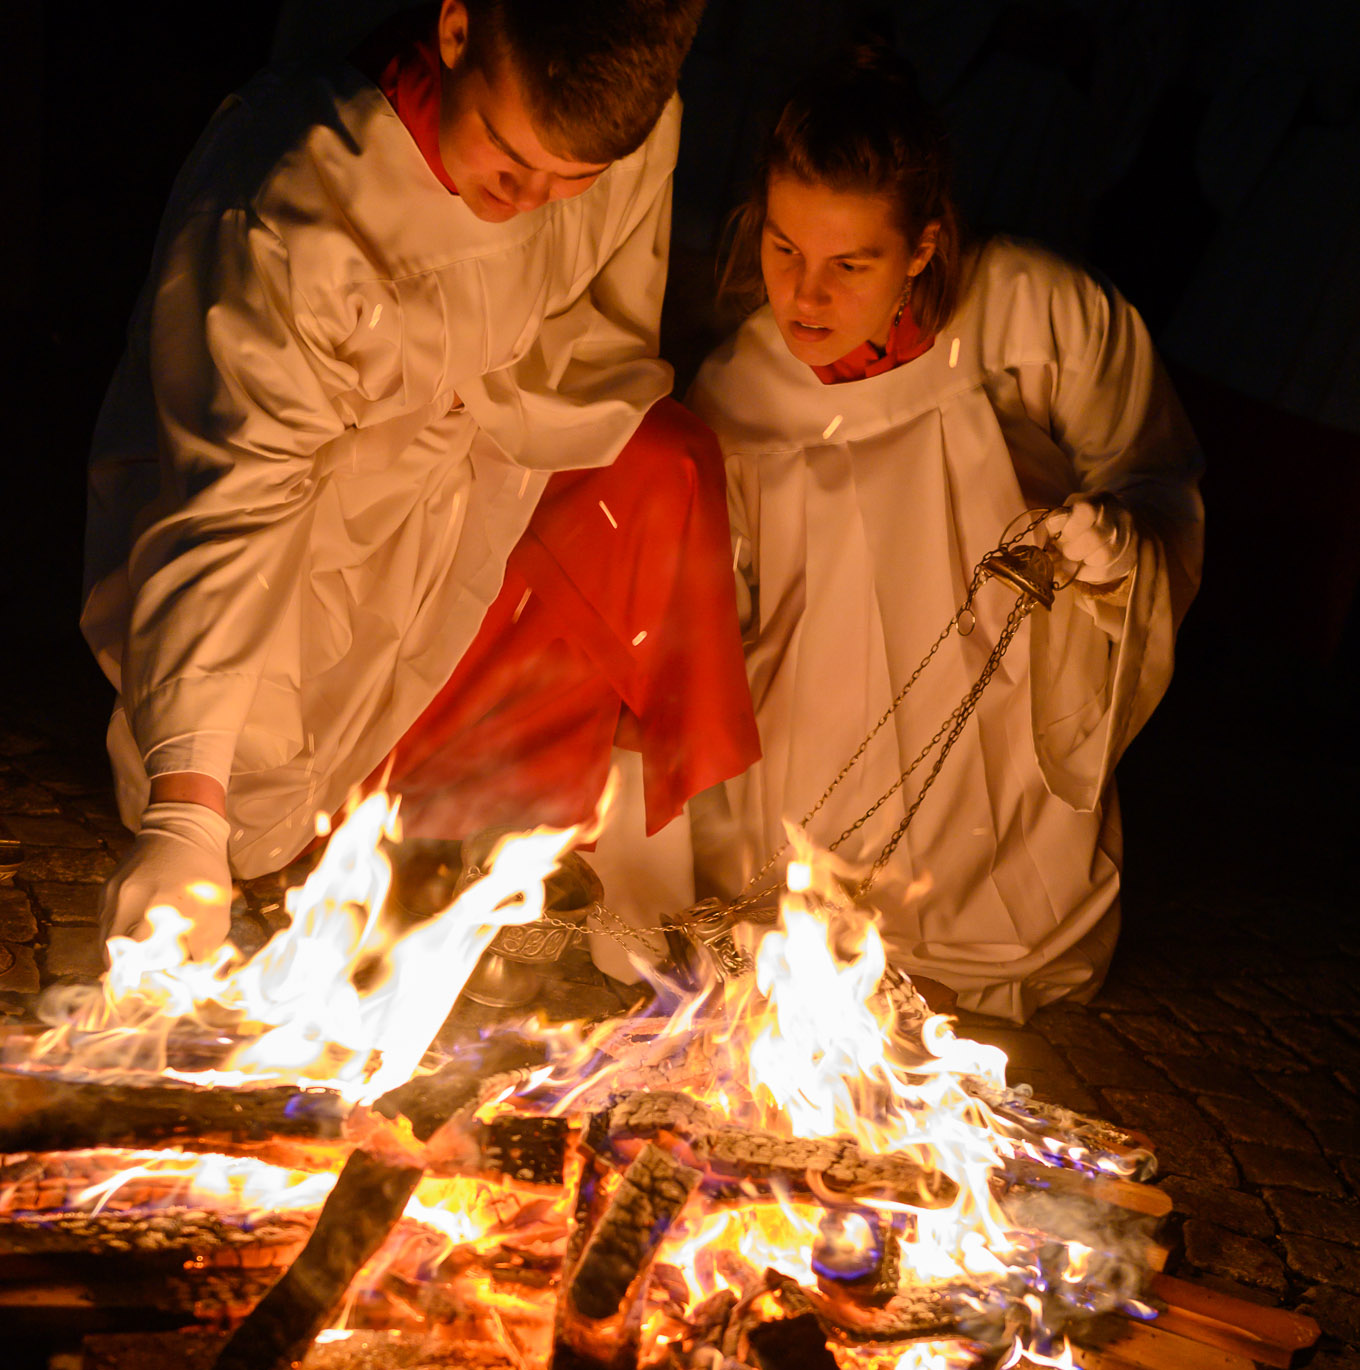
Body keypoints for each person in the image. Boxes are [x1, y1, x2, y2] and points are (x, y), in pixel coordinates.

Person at [84, 0, 759, 958]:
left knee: (659, 468)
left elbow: (598, 346)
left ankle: (475, 829)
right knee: (245, 792)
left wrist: (473, 410)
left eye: (572, 182)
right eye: (506, 157)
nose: (525, 200)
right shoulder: (292, 211)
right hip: (308, 511)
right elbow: (231, 503)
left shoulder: (628, 130)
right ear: (455, 32)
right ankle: (267, 809)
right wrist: (185, 815)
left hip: (486, 457)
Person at [687, 47, 1203, 1022]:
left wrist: (1114, 546)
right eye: (784, 248)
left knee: (979, 902)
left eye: (851, 263)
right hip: (818, 731)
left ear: (923, 247)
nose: (805, 296)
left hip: (994, 725)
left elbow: (1153, 470)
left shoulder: (1033, 312)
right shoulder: (738, 392)